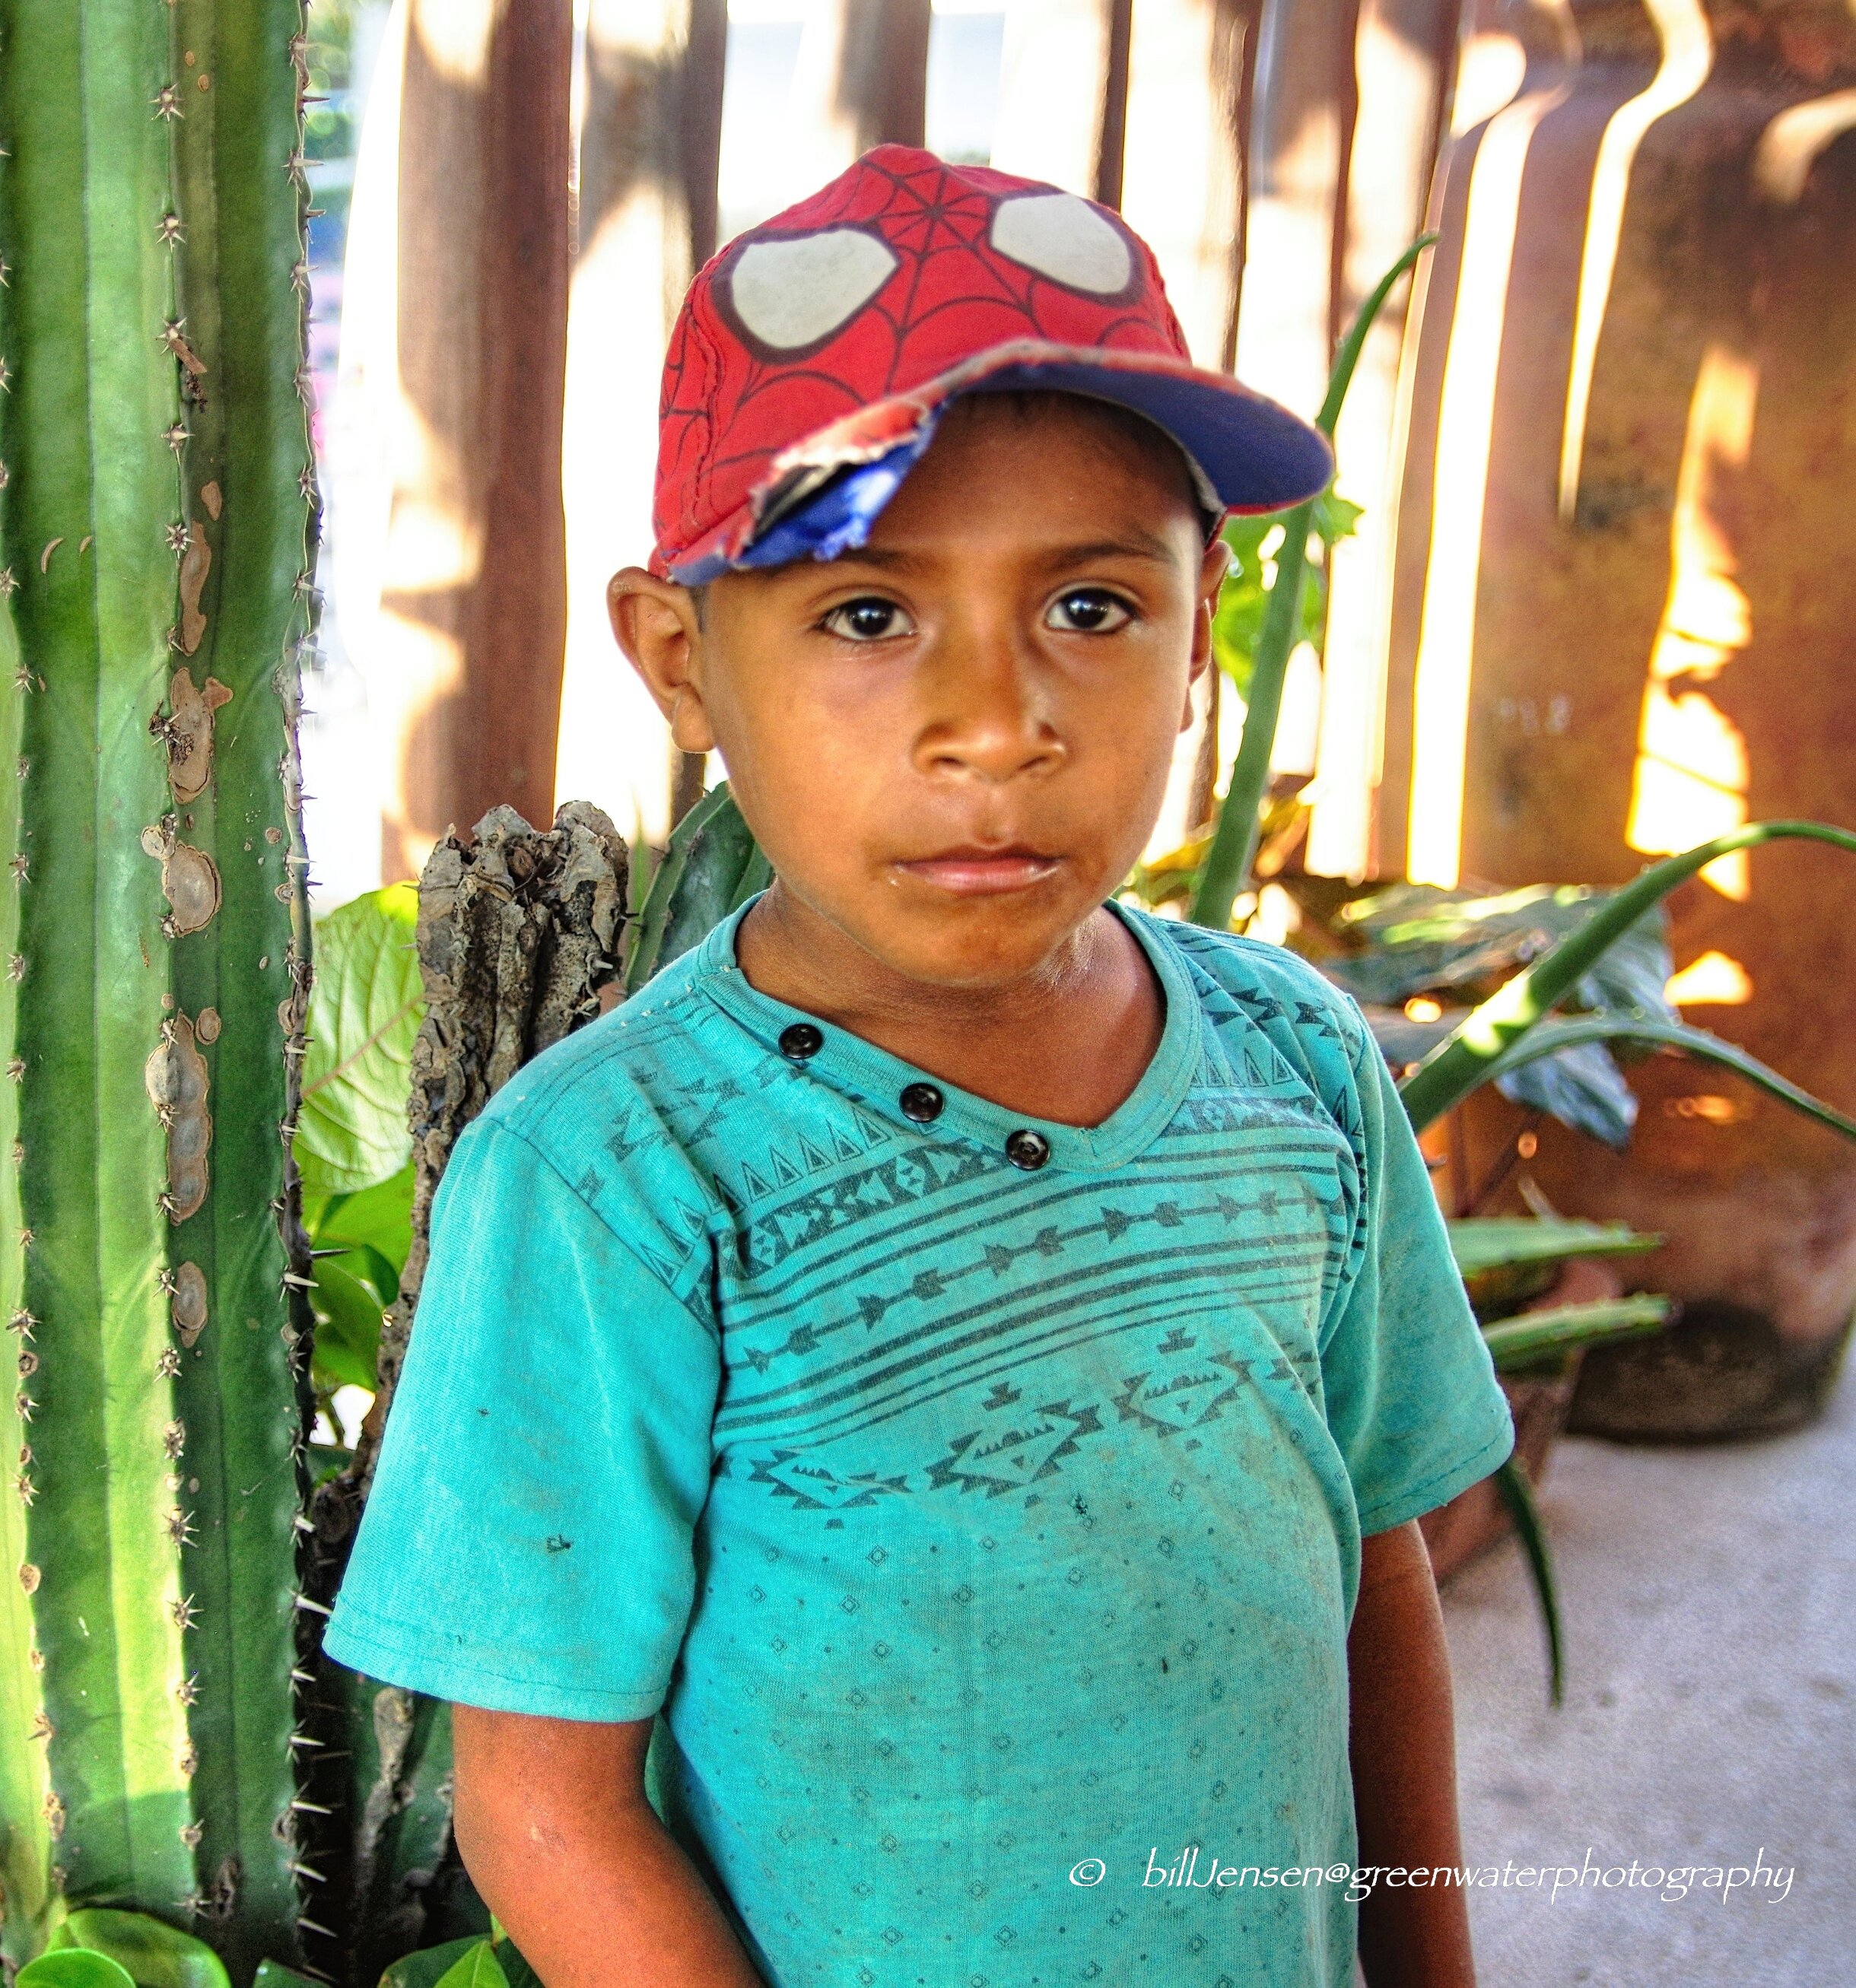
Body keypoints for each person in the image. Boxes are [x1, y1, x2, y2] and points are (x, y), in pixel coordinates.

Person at [324, 145, 1514, 1988]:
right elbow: (544, 1803)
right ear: (679, 659)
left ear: (1204, 631)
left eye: (1091, 608)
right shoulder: (616, 1174)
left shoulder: (1298, 1068)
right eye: (866, 614)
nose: (995, 723)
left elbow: (1369, 1571)